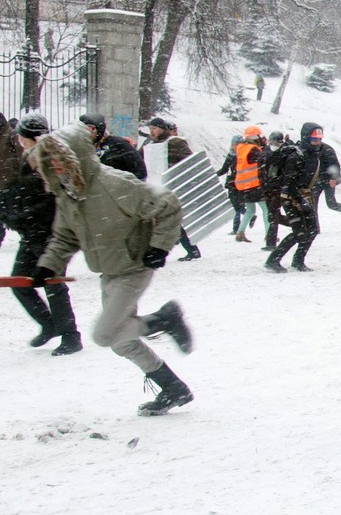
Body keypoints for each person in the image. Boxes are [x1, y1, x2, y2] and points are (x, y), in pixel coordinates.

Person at [27, 124, 195, 415]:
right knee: (122, 343)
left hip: (134, 267)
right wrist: (47, 267)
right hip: (110, 271)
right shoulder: (68, 193)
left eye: (59, 157)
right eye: (49, 159)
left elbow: (167, 205)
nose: (54, 164)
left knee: (105, 335)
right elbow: (65, 237)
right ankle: (173, 389)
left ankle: (164, 319)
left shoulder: (115, 185)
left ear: (75, 156)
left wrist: (159, 247)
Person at [1, 115, 82, 355]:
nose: (19, 140)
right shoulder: (30, 156)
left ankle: (71, 337)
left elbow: (52, 199)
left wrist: (21, 214)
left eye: (21, 136)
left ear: (28, 137)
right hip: (32, 232)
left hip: (52, 234)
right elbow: (23, 191)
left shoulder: (48, 159)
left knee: (53, 284)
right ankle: (50, 325)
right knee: (19, 281)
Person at [265, 123, 327, 272]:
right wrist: (300, 200)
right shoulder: (296, 156)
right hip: (290, 198)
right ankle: (273, 260)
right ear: (306, 138)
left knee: (312, 230)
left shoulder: (313, 155)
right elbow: (289, 183)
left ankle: (298, 260)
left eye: (319, 139)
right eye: (314, 140)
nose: (317, 143)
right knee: (298, 231)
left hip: (304, 196)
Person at [139, 117, 201, 261]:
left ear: (162, 129)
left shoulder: (175, 142)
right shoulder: (149, 146)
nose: (151, 131)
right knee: (164, 221)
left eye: (154, 128)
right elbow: (138, 160)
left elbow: (189, 162)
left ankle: (187, 250)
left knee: (170, 221)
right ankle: (191, 250)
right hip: (155, 188)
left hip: (173, 187)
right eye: (150, 129)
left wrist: (175, 171)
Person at [217, 126, 266, 243]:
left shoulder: (240, 149)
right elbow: (263, 164)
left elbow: (227, 169)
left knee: (249, 210)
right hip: (255, 184)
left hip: (242, 185)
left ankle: (240, 232)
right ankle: (270, 235)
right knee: (266, 209)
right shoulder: (254, 149)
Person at [78, 113, 147, 179]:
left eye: (89, 129)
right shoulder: (81, 148)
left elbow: (140, 172)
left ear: (99, 129)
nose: (85, 132)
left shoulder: (118, 144)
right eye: (82, 129)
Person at [260, 132, 294, 250]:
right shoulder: (266, 152)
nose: (272, 144)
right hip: (268, 189)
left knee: (273, 215)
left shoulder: (285, 152)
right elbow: (262, 170)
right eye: (271, 141)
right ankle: (298, 224)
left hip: (278, 189)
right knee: (275, 216)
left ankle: (271, 243)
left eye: (275, 142)